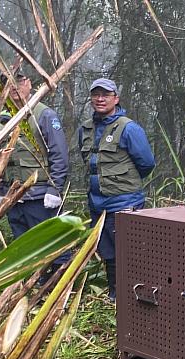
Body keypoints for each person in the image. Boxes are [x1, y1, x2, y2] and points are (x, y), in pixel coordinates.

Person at [77, 78, 155, 300]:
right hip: (97, 202)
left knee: (127, 250)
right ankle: (115, 293)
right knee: (106, 250)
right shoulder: (86, 128)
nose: (100, 99)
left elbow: (147, 163)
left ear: (116, 99)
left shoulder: (129, 128)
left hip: (124, 201)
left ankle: (132, 295)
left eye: (106, 95)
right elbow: (88, 160)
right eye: (96, 95)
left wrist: (125, 185)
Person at [0, 70, 70, 277]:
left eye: (18, 81)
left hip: (40, 196)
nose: (14, 87)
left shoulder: (44, 115)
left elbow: (59, 154)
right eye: (8, 84)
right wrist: (0, 190)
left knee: (51, 244)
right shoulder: (3, 119)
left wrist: (54, 190)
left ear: (28, 83)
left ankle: (59, 290)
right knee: (25, 248)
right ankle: (35, 290)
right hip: (13, 196)